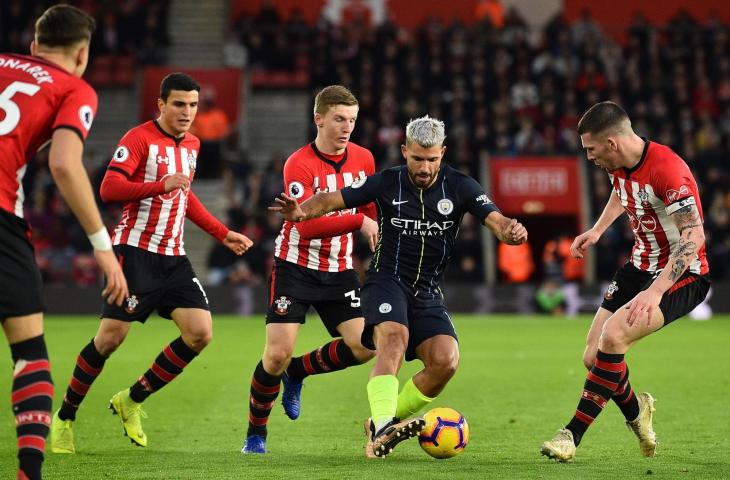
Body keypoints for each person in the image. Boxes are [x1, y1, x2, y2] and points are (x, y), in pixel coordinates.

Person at [271, 115, 528, 457]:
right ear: (404, 151)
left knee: (445, 362)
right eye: (418, 158)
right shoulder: (386, 182)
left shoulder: (462, 186)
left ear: (443, 153)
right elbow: (331, 199)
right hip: (385, 281)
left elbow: (496, 220)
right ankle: (382, 428)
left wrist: (511, 231)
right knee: (393, 338)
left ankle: (381, 420)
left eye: (432, 159)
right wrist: (300, 213)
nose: (424, 167)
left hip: (428, 290)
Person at [49, 72, 253, 453]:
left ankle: (132, 398)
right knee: (110, 339)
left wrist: (222, 233)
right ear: (160, 104)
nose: (187, 112)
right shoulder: (138, 138)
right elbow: (110, 188)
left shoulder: (193, 143)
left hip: (173, 256)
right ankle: (65, 417)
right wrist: (160, 184)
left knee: (200, 333)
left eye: (193, 105)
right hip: (134, 252)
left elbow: (184, 196)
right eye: (179, 104)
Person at [540, 101, 710, 462]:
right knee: (592, 357)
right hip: (638, 266)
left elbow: (694, 236)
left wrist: (656, 291)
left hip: (683, 275)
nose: (589, 157)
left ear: (612, 143)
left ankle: (571, 435)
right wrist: (598, 230)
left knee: (614, 337)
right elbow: (624, 193)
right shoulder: (619, 163)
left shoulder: (668, 170)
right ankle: (638, 415)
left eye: (590, 149)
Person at [0, 5, 129, 479]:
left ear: (34, 46)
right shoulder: (73, 87)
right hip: (1, 213)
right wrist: (101, 244)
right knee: (29, 351)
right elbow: (64, 164)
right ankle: (27, 474)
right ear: (82, 54)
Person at [241, 85, 378, 454]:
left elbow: (369, 208)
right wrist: (358, 224)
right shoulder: (299, 164)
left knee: (366, 346)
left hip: (339, 269)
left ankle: (299, 371)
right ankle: (256, 434)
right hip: (296, 268)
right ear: (319, 119)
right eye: (338, 119)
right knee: (275, 356)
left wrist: (374, 227)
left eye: (351, 120)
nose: (346, 127)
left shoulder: (364, 159)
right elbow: (306, 224)